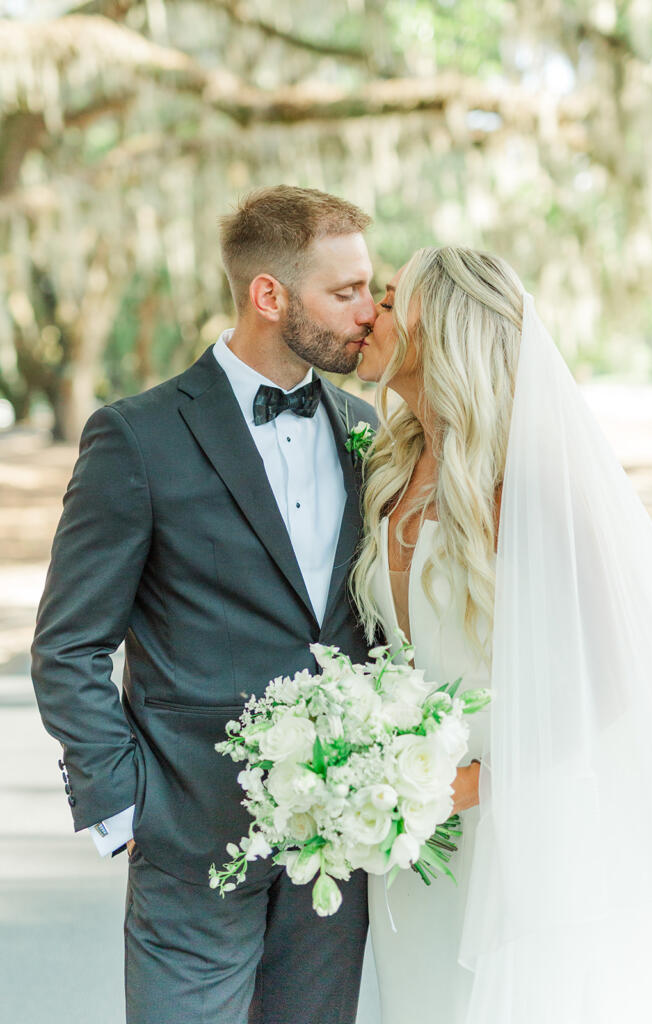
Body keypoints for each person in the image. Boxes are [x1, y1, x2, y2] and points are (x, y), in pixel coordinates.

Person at [31, 185, 378, 1024]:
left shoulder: (367, 430)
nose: (370, 312)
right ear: (270, 295)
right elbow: (68, 645)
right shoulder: (138, 436)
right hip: (189, 835)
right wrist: (123, 808)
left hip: (338, 845)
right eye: (346, 291)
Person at [352, 246, 652, 1023]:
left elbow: (614, 685)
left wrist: (469, 784)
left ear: (442, 332)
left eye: (393, 299)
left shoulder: (522, 490)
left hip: (511, 827)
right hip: (404, 835)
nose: (369, 311)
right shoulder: (391, 469)